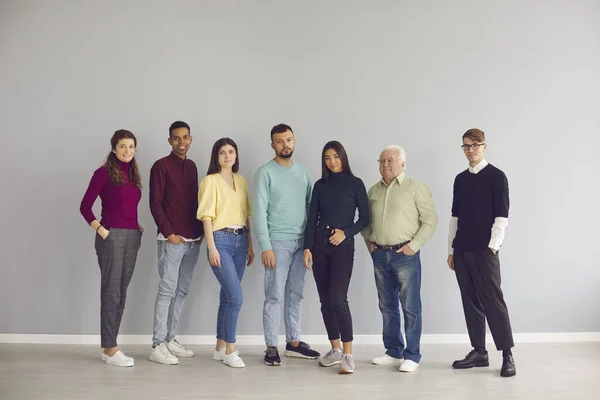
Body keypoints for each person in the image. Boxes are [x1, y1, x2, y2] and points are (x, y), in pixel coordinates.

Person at [362, 145, 438, 372]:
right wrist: (369, 242)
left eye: (390, 160)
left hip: (405, 255)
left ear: (402, 164)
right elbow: (365, 220)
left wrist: (413, 247)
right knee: (387, 305)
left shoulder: (416, 188)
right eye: (381, 160)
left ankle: (412, 355)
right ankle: (393, 350)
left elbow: (430, 220)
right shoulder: (373, 191)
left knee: (410, 306)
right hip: (379, 255)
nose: (385, 164)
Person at [448, 128, 516, 378]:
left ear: (484, 146)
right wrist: (450, 250)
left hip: (485, 251)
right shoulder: (460, 179)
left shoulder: (497, 177)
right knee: (470, 301)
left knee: (493, 302)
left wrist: (493, 247)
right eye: (466, 146)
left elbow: (502, 216)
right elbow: (454, 216)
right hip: (462, 249)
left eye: (475, 145)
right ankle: (479, 352)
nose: (471, 150)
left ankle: (507, 354)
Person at [253, 123, 320, 366]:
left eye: (289, 140)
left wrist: (309, 244)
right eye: (280, 141)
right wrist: (266, 246)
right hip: (277, 243)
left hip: (302, 242)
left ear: (294, 141)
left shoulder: (303, 172)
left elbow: (312, 209)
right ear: (272, 145)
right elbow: (258, 212)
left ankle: (293, 343)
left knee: (296, 294)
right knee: (274, 296)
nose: (285, 145)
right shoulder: (265, 172)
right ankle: (271, 346)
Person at [303, 140, 370, 374]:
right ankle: (335, 349)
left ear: (343, 157)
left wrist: (346, 233)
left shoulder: (355, 183)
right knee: (325, 301)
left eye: (336, 156)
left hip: (342, 245)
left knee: (339, 299)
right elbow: (312, 217)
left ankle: (349, 355)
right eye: (327, 158)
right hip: (319, 245)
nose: (332, 161)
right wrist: (307, 247)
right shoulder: (320, 185)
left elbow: (365, 218)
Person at [79, 129, 143, 367]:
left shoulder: (134, 174)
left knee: (122, 293)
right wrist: (100, 228)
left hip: (132, 237)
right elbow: (85, 206)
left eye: (131, 146)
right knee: (111, 292)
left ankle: (110, 347)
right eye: (123, 146)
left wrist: (136, 228)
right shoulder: (103, 173)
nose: (127, 150)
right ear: (114, 148)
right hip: (111, 236)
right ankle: (110, 347)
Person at [148, 121, 204, 365]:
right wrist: (168, 232)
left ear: (190, 139)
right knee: (167, 291)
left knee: (181, 291)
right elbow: (155, 202)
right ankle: (157, 344)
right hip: (172, 240)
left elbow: (195, 202)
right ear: (170, 140)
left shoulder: (192, 167)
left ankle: (170, 339)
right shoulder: (160, 166)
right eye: (176, 138)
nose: (181, 142)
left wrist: (200, 232)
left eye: (185, 137)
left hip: (193, 239)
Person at [197, 137, 255, 368]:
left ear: (236, 155)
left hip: (241, 241)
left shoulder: (241, 181)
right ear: (216, 156)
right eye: (222, 152)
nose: (228, 156)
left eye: (231, 151)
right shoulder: (209, 181)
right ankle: (231, 348)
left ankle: (219, 347)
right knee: (236, 297)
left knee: (227, 296)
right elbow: (207, 218)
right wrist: (211, 248)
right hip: (220, 240)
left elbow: (245, 216)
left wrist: (249, 245)